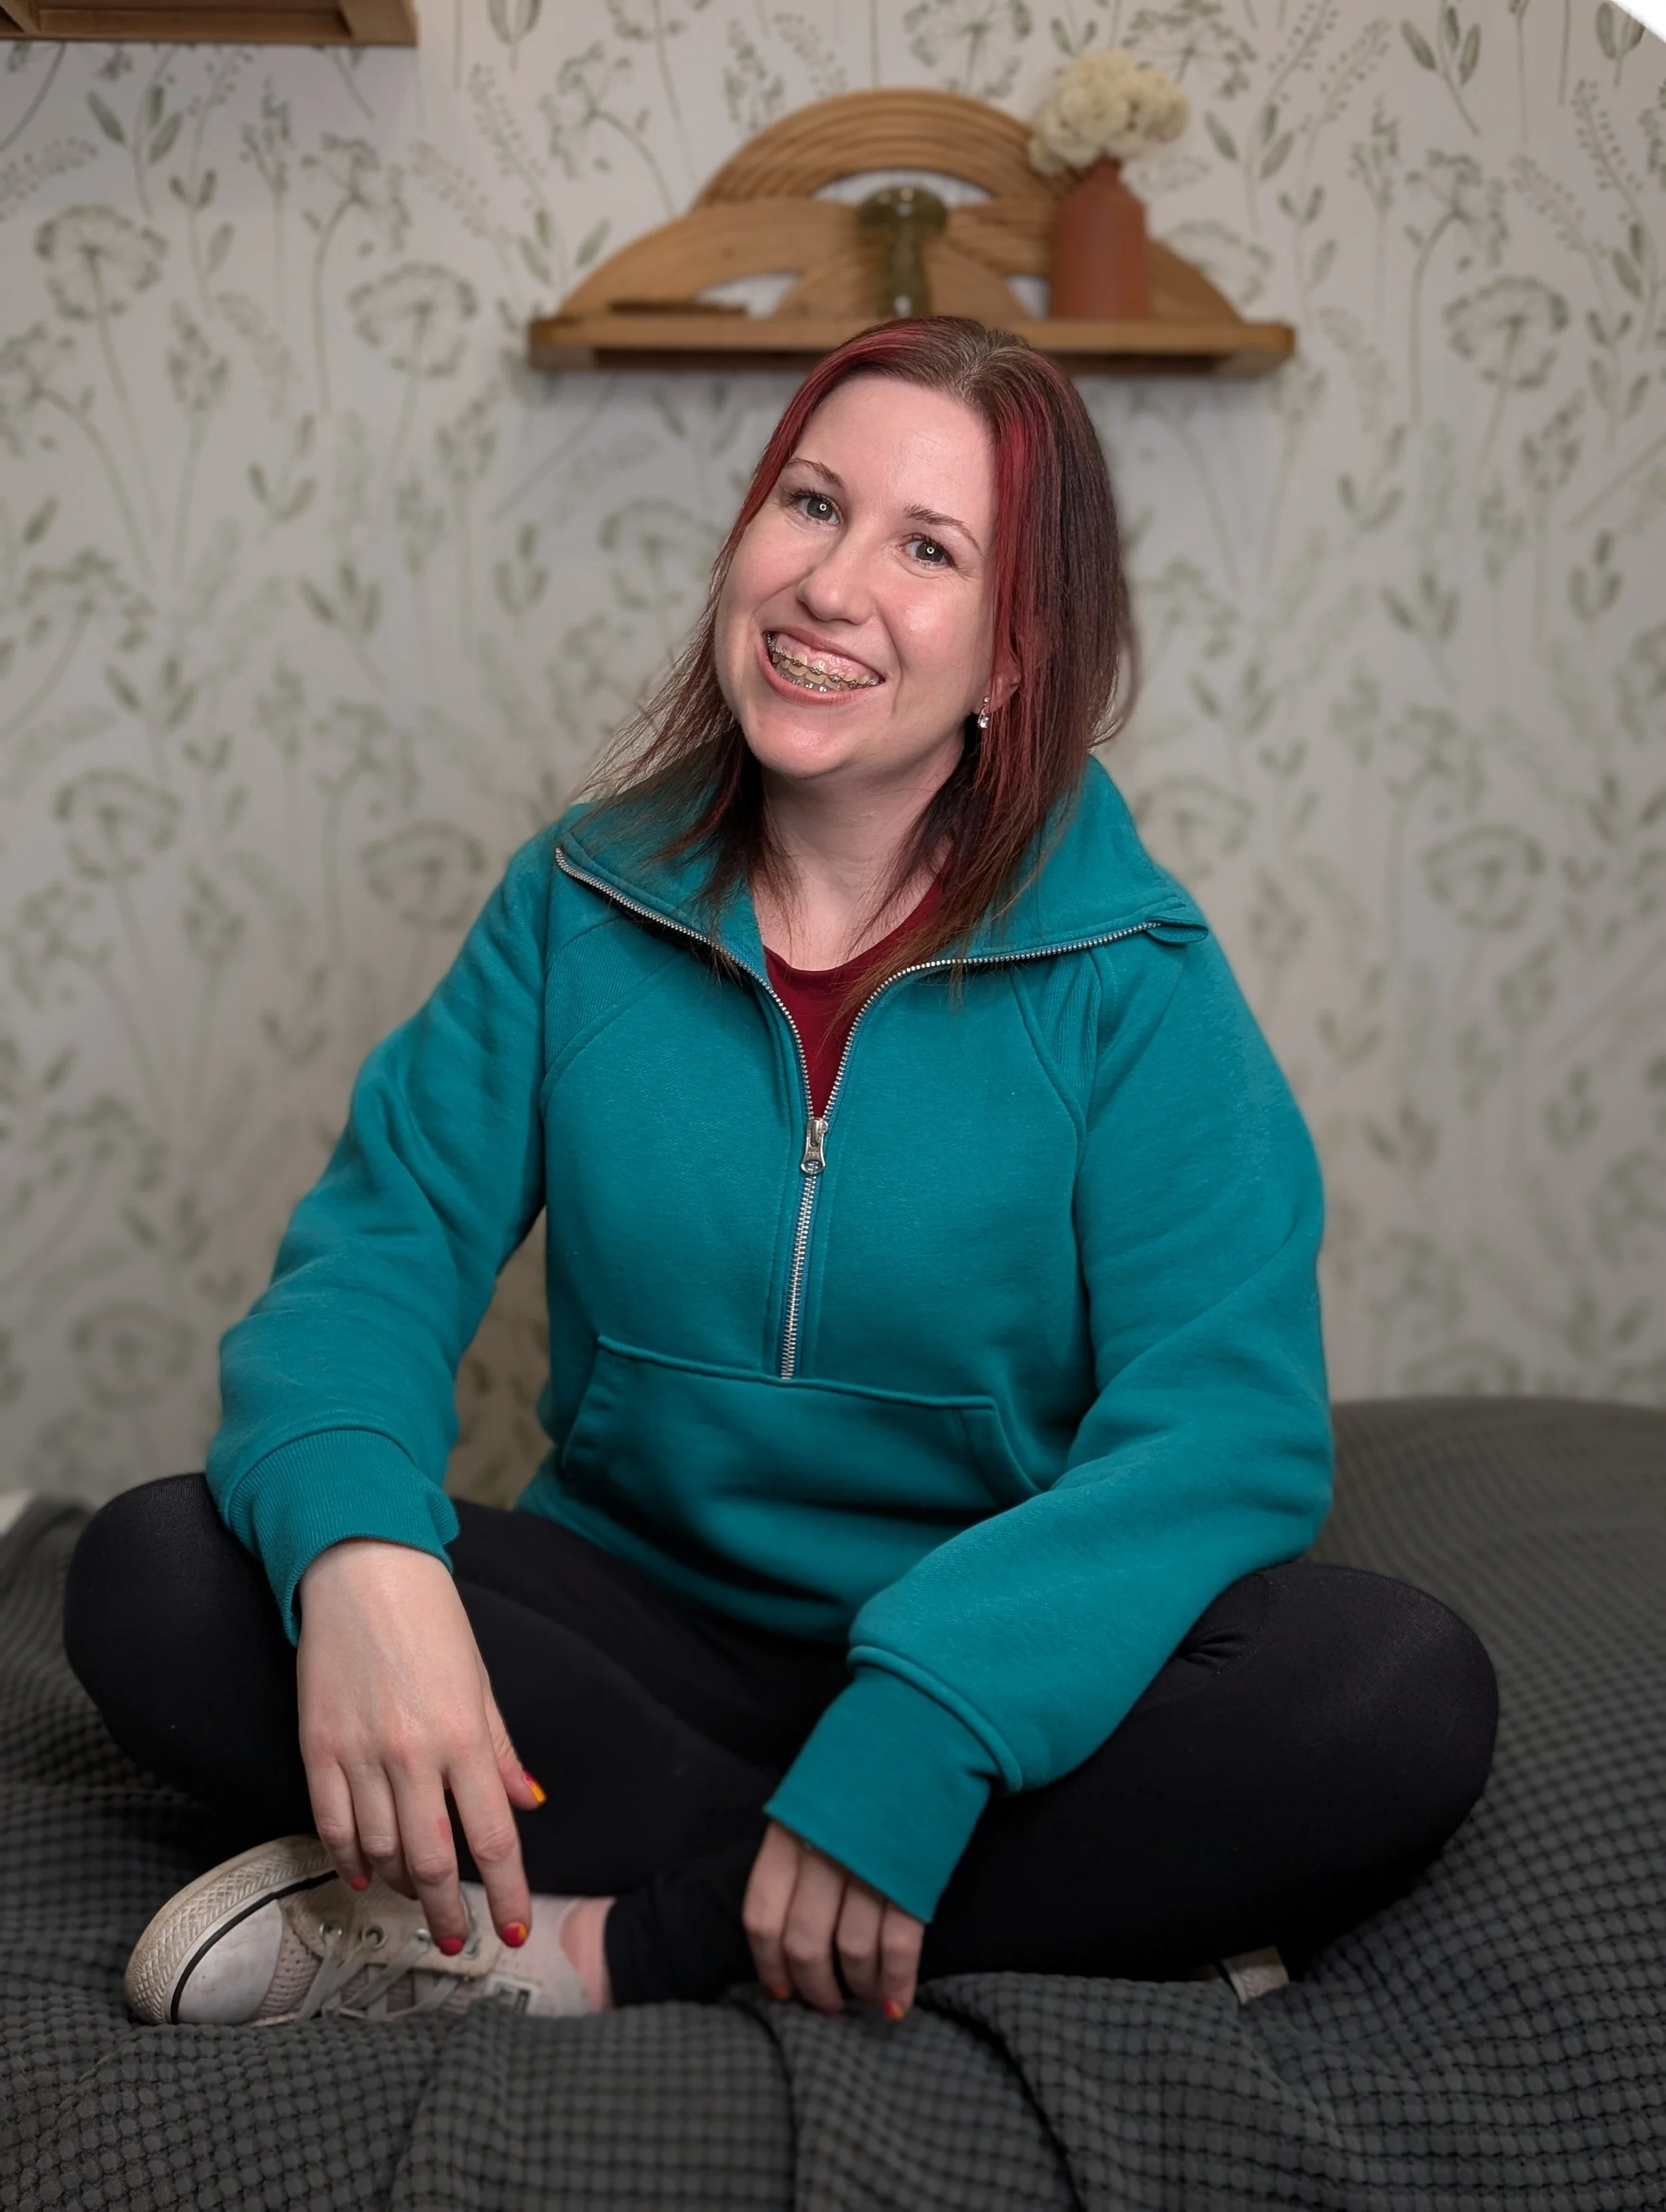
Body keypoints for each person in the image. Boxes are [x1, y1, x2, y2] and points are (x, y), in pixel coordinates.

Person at [65, 317, 1499, 2033]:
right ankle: (1042, 1900)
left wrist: (928, 1721)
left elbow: (1229, 1434)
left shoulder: (1139, 979)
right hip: (634, 1646)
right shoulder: (576, 907)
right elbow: (371, 1262)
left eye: (926, 548)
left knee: (1394, 1695)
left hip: (984, 1679)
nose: (831, 585)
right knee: (158, 1575)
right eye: (809, 505)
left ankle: (604, 1951)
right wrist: (369, 1560)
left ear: (1012, 656)